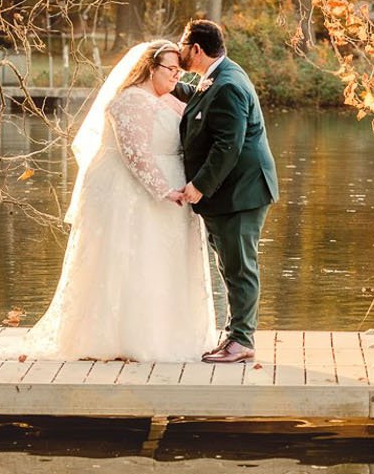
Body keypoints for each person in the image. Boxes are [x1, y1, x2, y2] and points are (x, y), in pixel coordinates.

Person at [18, 39, 222, 361]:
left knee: (160, 262)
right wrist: (163, 190)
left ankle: (168, 336)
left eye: (178, 70)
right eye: (170, 69)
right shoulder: (130, 102)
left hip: (172, 192)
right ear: (149, 68)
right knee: (132, 258)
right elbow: (135, 153)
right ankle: (119, 340)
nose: (176, 76)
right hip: (131, 191)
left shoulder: (167, 99)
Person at [170, 20, 278, 365]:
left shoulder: (229, 84)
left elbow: (228, 145)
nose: (180, 54)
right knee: (231, 266)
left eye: (182, 48)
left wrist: (199, 185)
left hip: (242, 193)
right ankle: (235, 336)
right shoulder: (219, 75)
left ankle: (242, 340)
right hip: (231, 193)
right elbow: (200, 99)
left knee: (240, 267)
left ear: (196, 49)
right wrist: (160, 81)